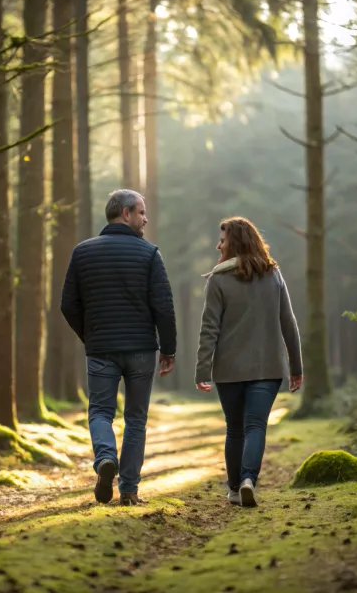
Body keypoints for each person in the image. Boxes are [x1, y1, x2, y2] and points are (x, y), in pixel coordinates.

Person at [61, 189, 177, 506]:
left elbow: (68, 305)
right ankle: (128, 491)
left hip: (101, 348)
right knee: (136, 419)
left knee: (100, 411)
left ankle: (105, 459)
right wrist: (168, 349)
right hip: (141, 349)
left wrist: (91, 335)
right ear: (125, 214)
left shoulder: (82, 253)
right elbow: (163, 307)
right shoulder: (150, 254)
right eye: (141, 212)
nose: (145, 219)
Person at [194, 217, 303, 508]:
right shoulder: (273, 275)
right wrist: (296, 367)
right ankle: (248, 480)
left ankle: (233, 488)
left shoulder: (218, 279)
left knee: (235, 428)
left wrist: (202, 369)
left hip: (229, 369)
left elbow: (209, 329)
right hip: (268, 368)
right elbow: (288, 323)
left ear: (236, 242)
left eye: (222, 240)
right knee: (256, 426)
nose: (218, 245)